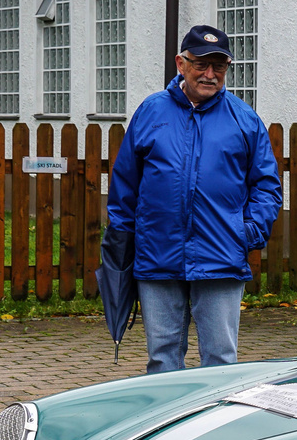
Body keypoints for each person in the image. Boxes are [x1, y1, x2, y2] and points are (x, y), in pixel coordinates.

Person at [106, 25, 281, 374]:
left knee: (220, 360)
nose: (210, 74)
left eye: (219, 66)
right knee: (163, 358)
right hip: (158, 256)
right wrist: (124, 241)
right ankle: (168, 427)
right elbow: (125, 185)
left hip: (220, 258)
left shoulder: (244, 119)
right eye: (201, 64)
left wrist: (244, 233)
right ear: (181, 64)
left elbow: (267, 186)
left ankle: (213, 428)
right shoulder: (151, 112)